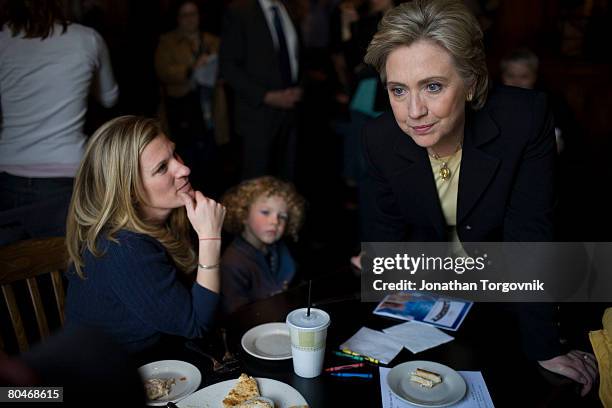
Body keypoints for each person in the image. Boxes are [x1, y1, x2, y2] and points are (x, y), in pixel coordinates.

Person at [361, 0, 598, 396]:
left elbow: (530, 235)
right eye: (398, 90)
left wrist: (544, 346)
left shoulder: (525, 118)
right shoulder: (379, 137)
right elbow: (383, 223)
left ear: (470, 83)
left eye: (433, 86)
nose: (414, 111)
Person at [64, 116, 225, 355]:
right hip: (104, 380)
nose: (184, 168)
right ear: (129, 191)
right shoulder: (122, 248)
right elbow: (196, 325)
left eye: (175, 154)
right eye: (162, 167)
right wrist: (210, 238)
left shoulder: (172, 216)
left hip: (161, 359)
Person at [0, 0, 118, 240]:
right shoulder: (87, 39)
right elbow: (110, 98)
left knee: (14, 271)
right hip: (65, 176)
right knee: (69, 266)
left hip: (7, 174)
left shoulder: (2, 39)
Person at [219, 0, 302, 180]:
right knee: (256, 184)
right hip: (258, 115)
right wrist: (266, 96)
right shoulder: (240, 10)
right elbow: (228, 66)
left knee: (287, 181)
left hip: (291, 112)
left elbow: (297, 55)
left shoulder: (288, 8)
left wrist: (300, 87)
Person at [155, 0, 220, 192]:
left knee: (211, 159)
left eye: (194, 14)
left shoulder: (212, 41)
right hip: (182, 109)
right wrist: (191, 69)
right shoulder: (168, 42)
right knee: (187, 158)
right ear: (178, 18)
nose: (190, 19)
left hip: (210, 107)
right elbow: (163, 71)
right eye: (185, 15)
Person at [219, 176, 305, 315]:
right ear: (244, 214)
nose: (275, 221)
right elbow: (236, 315)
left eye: (282, 216)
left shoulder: (279, 249)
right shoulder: (232, 263)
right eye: (265, 212)